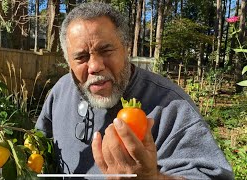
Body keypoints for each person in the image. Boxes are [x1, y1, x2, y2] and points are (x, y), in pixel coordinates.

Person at [36, 2, 233, 179]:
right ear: (68, 61)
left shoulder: (171, 107)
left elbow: (212, 176)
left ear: (126, 48)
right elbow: (38, 147)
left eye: (106, 50)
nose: (94, 66)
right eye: (81, 57)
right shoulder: (60, 92)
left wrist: (152, 178)